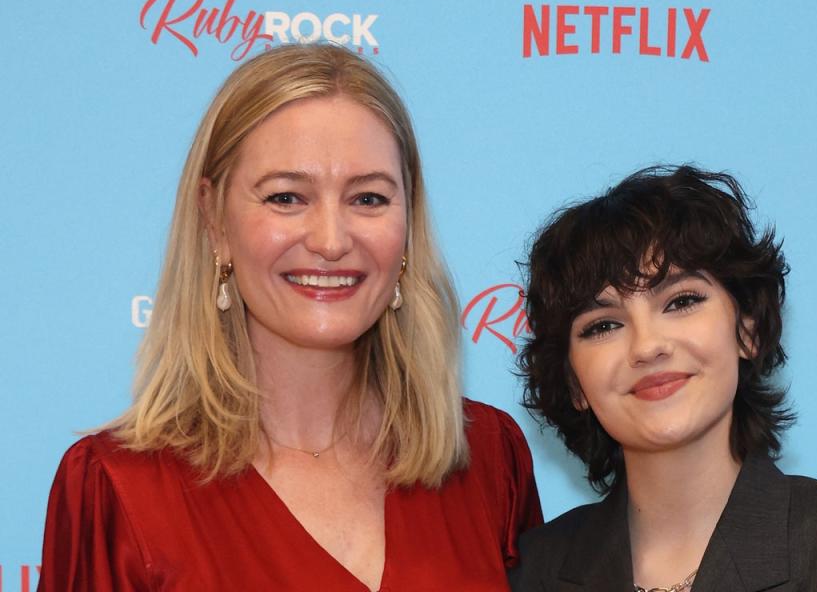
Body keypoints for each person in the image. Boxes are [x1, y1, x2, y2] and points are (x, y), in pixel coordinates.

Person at [39, 43, 541, 591]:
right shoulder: (117, 489)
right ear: (214, 219)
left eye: (369, 199)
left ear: (408, 223)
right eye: (286, 197)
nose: (330, 241)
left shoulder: (489, 458)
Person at [509, 166, 817, 591]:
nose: (647, 347)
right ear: (573, 383)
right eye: (603, 325)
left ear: (748, 330)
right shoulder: (531, 572)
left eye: (681, 301)